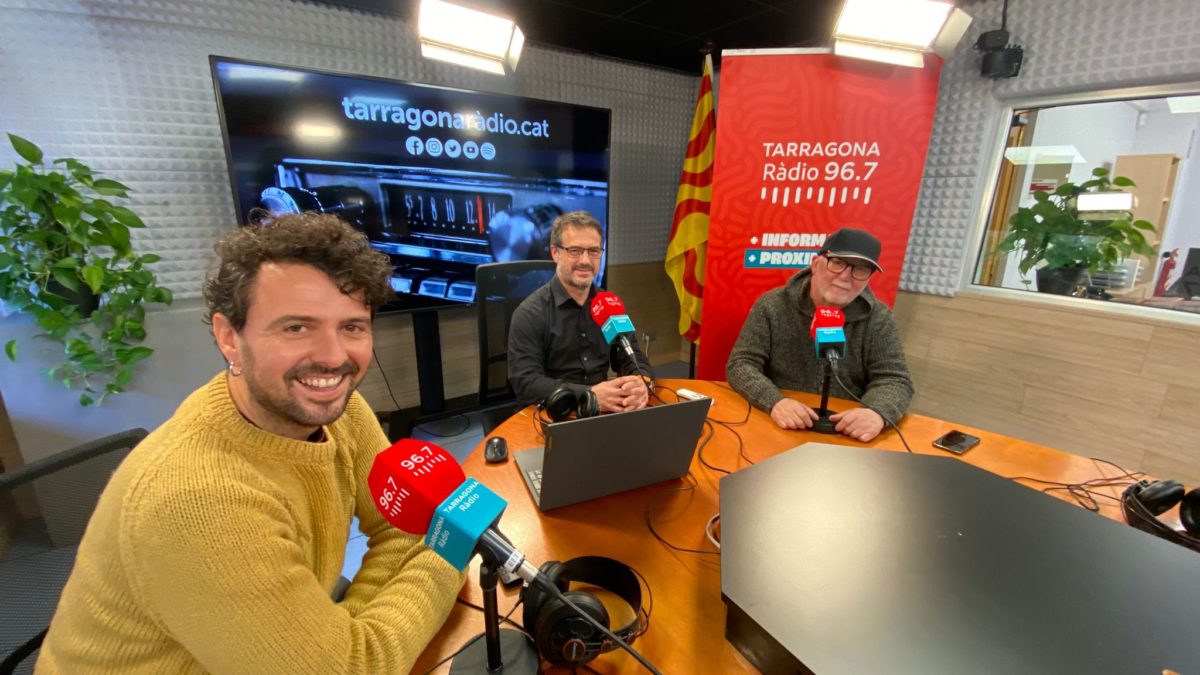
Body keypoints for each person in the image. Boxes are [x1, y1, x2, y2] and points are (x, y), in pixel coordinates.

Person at [38, 213, 463, 674]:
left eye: (352, 326)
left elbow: (403, 525)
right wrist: (453, 552)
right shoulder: (197, 502)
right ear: (229, 338)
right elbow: (354, 668)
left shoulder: (343, 412)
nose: (334, 357)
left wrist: (343, 632)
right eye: (296, 327)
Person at [726, 227, 913, 442]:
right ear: (816, 264)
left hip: (843, 433)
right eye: (837, 263)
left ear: (868, 278)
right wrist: (775, 401)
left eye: (860, 270)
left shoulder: (879, 318)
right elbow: (741, 363)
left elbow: (895, 379)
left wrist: (877, 412)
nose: (845, 277)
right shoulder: (772, 305)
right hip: (781, 425)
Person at [507, 210, 654, 413]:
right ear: (555, 252)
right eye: (575, 250)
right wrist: (589, 394)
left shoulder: (609, 305)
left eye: (594, 251)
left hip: (605, 411)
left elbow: (633, 356)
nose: (585, 260)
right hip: (553, 413)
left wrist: (641, 382)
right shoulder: (529, 313)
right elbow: (526, 383)